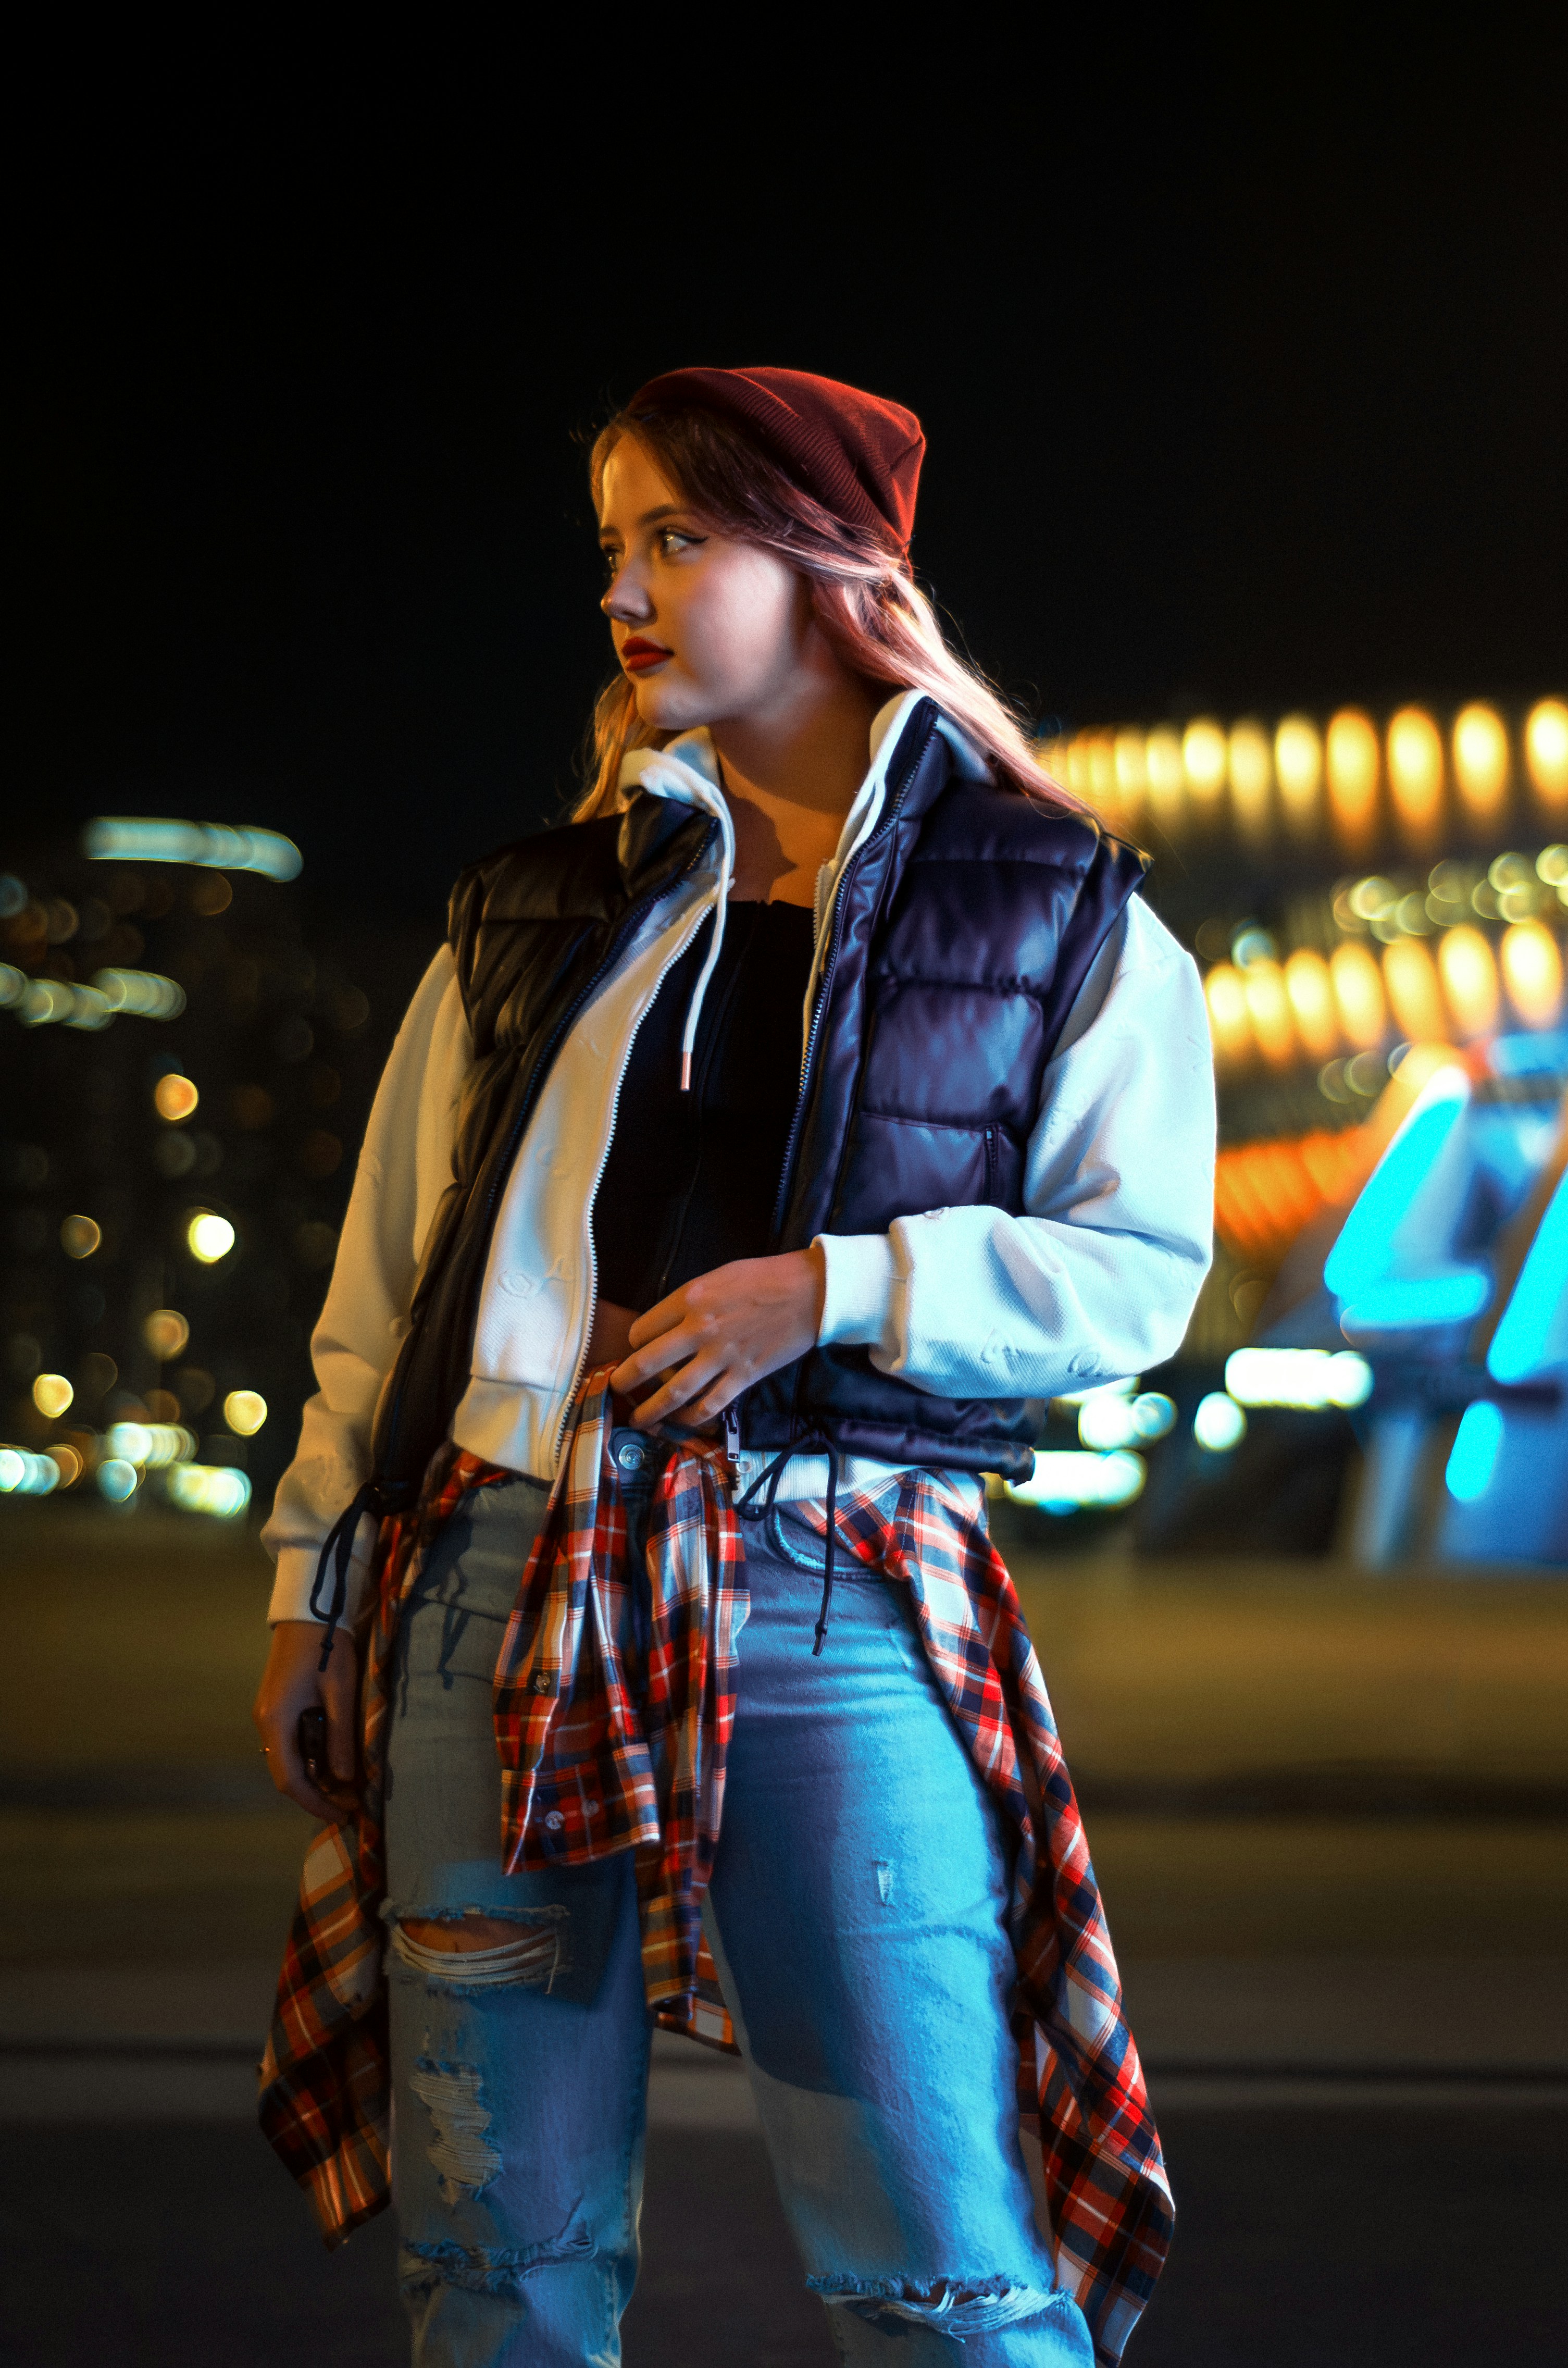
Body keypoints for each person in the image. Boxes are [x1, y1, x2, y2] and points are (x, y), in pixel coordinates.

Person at [253, 365, 1214, 2368]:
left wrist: (834, 1289)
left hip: (838, 1593)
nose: (624, 588)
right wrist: (310, 1581)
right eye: (611, 546)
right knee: (496, 2270)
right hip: (486, 1584)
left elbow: (1136, 1277)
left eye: (677, 538)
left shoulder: (1057, 911)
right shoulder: (531, 906)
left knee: (938, 2265)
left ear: (834, 567)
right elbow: (384, 1291)